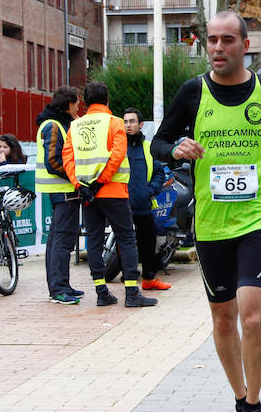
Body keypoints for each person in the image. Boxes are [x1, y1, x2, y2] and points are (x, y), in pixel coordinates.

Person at [150, 10, 261, 412]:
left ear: (244, 45)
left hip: (257, 216)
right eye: (211, 41)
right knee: (223, 318)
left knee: (252, 315)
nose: (217, 48)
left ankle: (254, 409)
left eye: (226, 41)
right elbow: (160, 140)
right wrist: (174, 147)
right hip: (211, 222)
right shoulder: (193, 92)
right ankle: (239, 398)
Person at [62, 81, 157, 309]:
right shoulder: (115, 123)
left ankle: (101, 292)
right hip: (113, 191)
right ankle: (132, 293)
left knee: (94, 239)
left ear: (85, 101)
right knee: (126, 238)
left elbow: (68, 157)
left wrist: (81, 184)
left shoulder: (75, 126)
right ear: (107, 100)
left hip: (87, 194)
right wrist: (99, 182)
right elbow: (117, 155)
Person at [36, 86, 84, 305]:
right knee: (62, 241)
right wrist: (76, 179)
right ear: (67, 104)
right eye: (76, 103)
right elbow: (53, 161)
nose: (78, 106)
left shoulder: (57, 124)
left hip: (63, 191)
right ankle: (59, 289)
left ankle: (60, 285)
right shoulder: (54, 126)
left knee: (59, 240)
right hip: (63, 191)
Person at [123, 107, 171, 291]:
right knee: (124, 243)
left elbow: (159, 172)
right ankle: (128, 279)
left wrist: (150, 190)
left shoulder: (148, 147)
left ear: (141, 124)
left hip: (143, 204)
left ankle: (149, 279)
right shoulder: (119, 146)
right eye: (126, 122)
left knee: (148, 243)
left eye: (132, 121)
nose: (128, 125)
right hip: (123, 203)